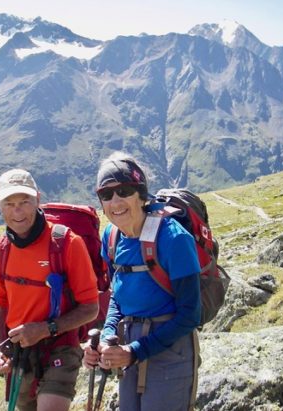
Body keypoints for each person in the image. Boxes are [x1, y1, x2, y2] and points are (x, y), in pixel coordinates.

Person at [83, 152, 201, 411]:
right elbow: (117, 295)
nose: (115, 201)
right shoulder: (111, 237)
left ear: (140, 193)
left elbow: (190, 314)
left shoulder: (173, 239)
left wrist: (136, 350)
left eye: (123, 191)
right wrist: (106, 337)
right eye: (106, 194)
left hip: (170, 350)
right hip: (129, 350)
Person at [0, 168, 99, 411]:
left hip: (61, 346)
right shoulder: (1, 251)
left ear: (37, 199)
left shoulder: (67, 243)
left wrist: (45, 329)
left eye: (25, 202)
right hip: (20, 353)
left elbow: (91, 308)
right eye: (10, 203)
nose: (18, 211)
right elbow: (0, 307)